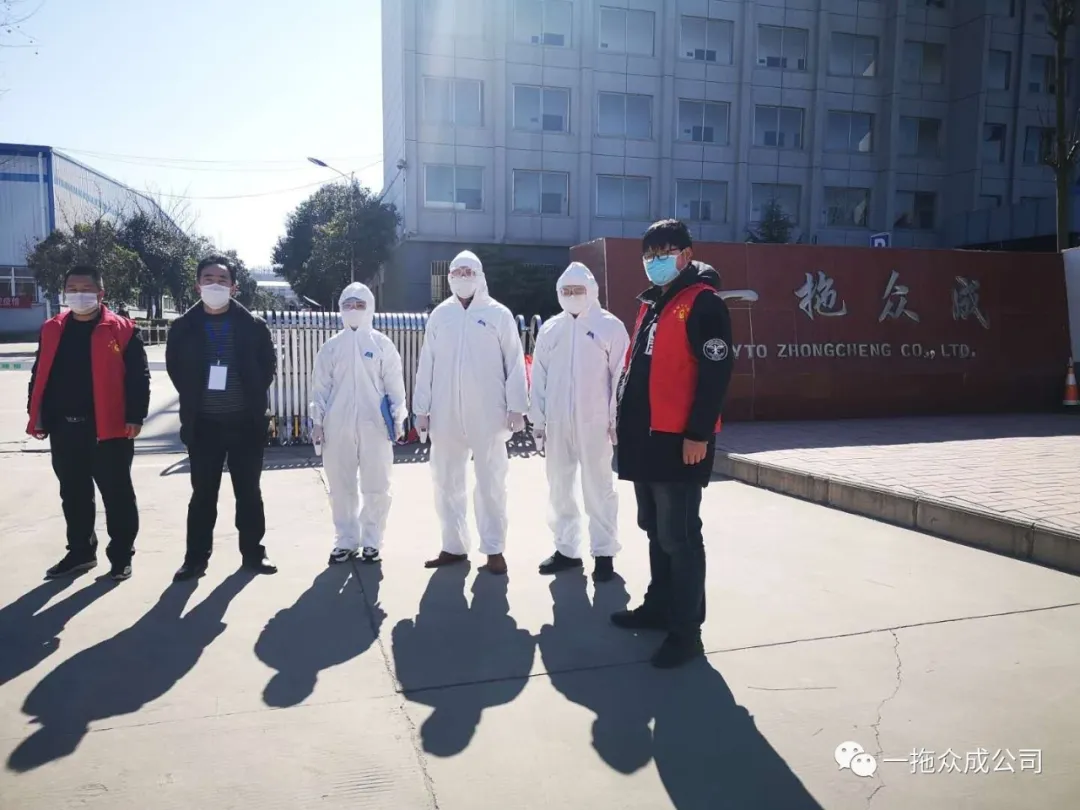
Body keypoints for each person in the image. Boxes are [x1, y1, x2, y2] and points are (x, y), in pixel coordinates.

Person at [611, 219, 734, 669]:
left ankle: (686, 632)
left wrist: (698, 433)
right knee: (654, 528)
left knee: (680, 536)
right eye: (649, 254)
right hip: (645, 439)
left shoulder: (703, 304)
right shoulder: (654, 304)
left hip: (679, 441)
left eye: (663, 252)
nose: (654, 261)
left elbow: (716, 372)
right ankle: (659, 606)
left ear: (686, 255)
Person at [26, 265, 150, 581]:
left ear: (100, 293)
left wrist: (135, 416)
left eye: (85, 289)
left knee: (117, 495)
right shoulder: (52, 328)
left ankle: (121, 556)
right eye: (72, 289)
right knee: (73, 493)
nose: (78, 294)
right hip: (64, 428)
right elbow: (39, 372)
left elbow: (139, 377)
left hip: (109, 428)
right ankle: (81, 552)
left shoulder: (122, 329)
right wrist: (36, 413)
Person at [413, 250, 529, 575]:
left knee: (491, 481)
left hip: (488, 413)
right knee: (446, 480)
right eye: (457, 272)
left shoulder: (498, 315)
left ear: (480, 276)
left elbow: (514, 362)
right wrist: (421, 409)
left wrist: (517, 407)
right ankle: (453, 545)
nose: (463, 277)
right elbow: (426, 363)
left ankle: (494, 549)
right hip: (446, 411)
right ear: (449, 277)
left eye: (469, 272)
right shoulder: (441, 316)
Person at [166, 255, 278, 581]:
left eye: (222, 280)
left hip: (245, 424)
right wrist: (195, 396)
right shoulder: (183, 327)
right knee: (203, 495)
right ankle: (195, 558)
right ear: (197, 285)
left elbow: (267, 366)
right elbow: (175, 369)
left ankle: (254, 553)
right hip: (204, 425)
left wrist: (251, 394)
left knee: (249, 493)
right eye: (208, 279)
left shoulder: (253, 326)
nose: (215, 285)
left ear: (234, 287)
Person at [529, 262, 629, 583]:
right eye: (566, 290)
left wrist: (615, 419)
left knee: (599, 487)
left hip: (595, 423)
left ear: (592, 291)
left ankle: (604, 553)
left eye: (578, 290)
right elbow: (539, 378)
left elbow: (621, 377)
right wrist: (538, 420)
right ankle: (567, 550)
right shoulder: (551, 329)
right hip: (558, 422)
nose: (572, 295)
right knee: (560, 487)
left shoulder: (610, 327)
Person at [309, 282, 407, 566]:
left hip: (375, 425)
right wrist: (318, 421)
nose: (353, 310)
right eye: (348, 305)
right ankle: (346, 540)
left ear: (370, 307)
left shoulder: (381, 344)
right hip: (336, 425)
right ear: (340, 308)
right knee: (340, 484)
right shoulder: (331, 347)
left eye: (359, 305)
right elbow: (320, 388)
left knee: (377, 484)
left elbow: (395, 385)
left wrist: (398, 417)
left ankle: (372, 541)